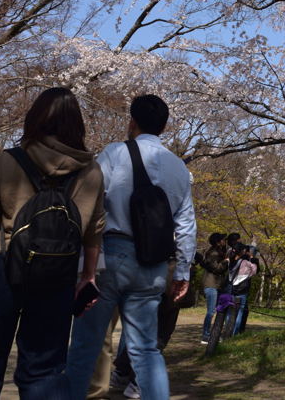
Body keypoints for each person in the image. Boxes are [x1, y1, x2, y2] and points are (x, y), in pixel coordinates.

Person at [0, 87, 106, 400]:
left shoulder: (8, 161)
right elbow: (93, 230)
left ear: (35, 119)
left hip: (4, 269)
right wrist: (88, 278)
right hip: (59, 278)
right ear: (77, 125)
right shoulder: (91, 171)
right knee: (45, 371)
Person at [65, 94, 197, 400]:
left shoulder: (113, 153)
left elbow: (89, 206)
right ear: (164, 128)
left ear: (132, 121)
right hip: (153, 266)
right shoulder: (179, 169)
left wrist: (83, 266)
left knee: (86, 346)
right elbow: (186, 226)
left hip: (110, 256)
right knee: (146, 352)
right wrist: (183, 272)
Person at [198, 233, 229, 344]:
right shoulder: (214, 253)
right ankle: (205, 336)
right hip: (211, 285)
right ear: (218, 242)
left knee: (217, 311)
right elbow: (216, 268)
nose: (224, 240)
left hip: (217, 285)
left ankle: (213, 334)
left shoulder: (218, 252)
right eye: (222, 239)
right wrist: (227, 261)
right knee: (210, 311)